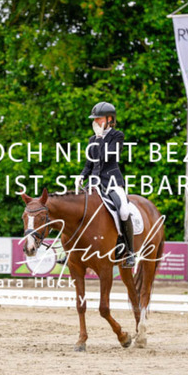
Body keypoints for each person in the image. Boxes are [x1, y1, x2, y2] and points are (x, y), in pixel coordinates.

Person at [76, 101, 136, 268]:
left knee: (123, 211)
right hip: (93, 183)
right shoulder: (92, 139)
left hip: (112, 182)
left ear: (110, 119)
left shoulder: (117, 136)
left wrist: (99, 138)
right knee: (77, 210)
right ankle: (72, 252)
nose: (96, 122)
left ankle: (130, 252)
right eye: (94, 119)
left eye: (99, 119)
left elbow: (107, 156)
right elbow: (89, 163)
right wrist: (81, 176)